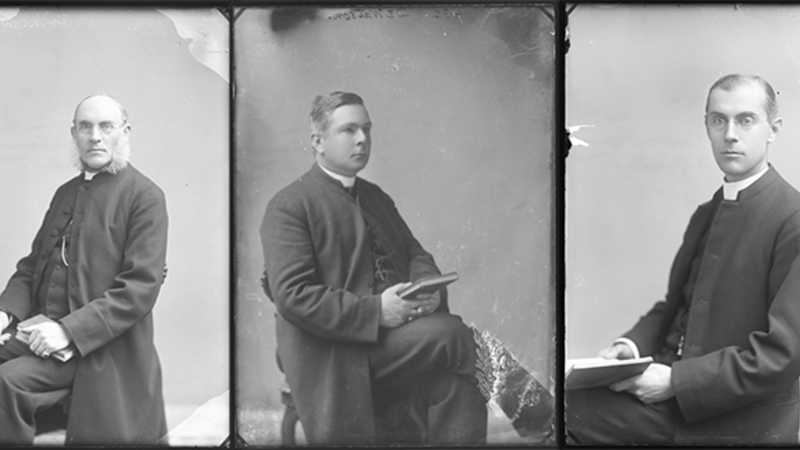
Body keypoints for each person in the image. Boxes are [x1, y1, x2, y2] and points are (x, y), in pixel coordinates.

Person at [567, 74, 800, 444]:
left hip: (740, 420)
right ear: (706, 126)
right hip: (676, 398)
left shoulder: (793, 219)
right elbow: (677, 306)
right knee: (560, 401)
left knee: (563, 413)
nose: (731, 134)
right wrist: (627, 349)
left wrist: (676, 381)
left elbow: (783, 354)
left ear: (773, 129)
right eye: (718, 120)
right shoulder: (708, 212)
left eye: (746, 120)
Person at [260, 91, 488, 445]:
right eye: (349, 130)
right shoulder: (289, 206)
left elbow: (416, 253)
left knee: (455, 388)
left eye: (366, 129)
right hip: (337, 350)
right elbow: (293, 297)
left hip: (396, 342)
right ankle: (540, 415)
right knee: (454, 335)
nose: (363, 139)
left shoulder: (376, 197)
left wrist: (425, 289)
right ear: (318, 142)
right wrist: (377, 311)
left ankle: (539, 414)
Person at [0, 94, 169, 445]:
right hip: (40, 334)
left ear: (124, 132)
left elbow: (138, 289)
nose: (95, 136)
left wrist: (68, 332)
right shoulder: (65, 193)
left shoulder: (145, 196)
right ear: (74, 134)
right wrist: (4, 314)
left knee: (8, 382)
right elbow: (31, 268)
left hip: (99, 349)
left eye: (106, 127)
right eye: (85, 127)